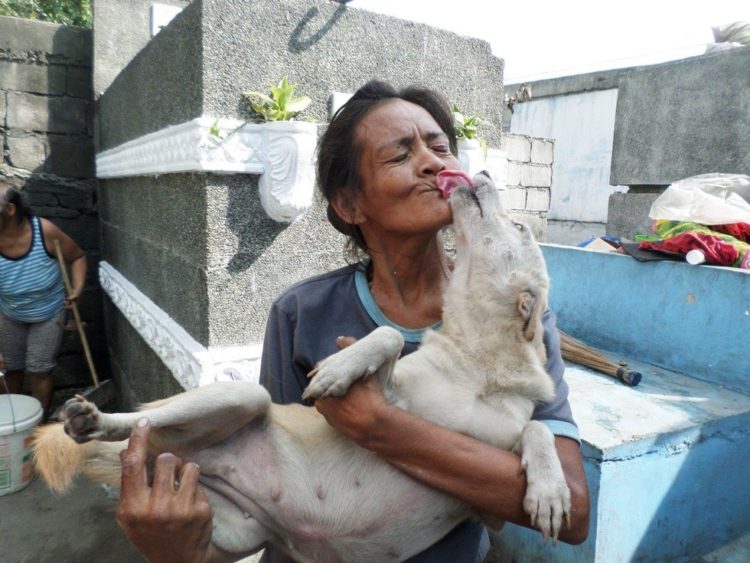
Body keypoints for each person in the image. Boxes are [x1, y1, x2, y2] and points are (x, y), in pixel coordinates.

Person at [115, 81, 590, 562]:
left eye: (440, 146)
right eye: (399, 155)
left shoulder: (520, 322)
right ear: (350, 205)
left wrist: (382, 427)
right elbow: (279, 492)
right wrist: (180, 551)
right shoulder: (302, 312)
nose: (433, 162)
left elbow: (571, 514)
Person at [0, 180, 87, 419]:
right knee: (10, 369)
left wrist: (77, 289)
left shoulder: (44, 231)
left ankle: (37, 425)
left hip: (48, 313)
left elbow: (78, 256)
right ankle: (10, 420)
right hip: (9, 313)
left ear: (10, 209)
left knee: (39, 370)